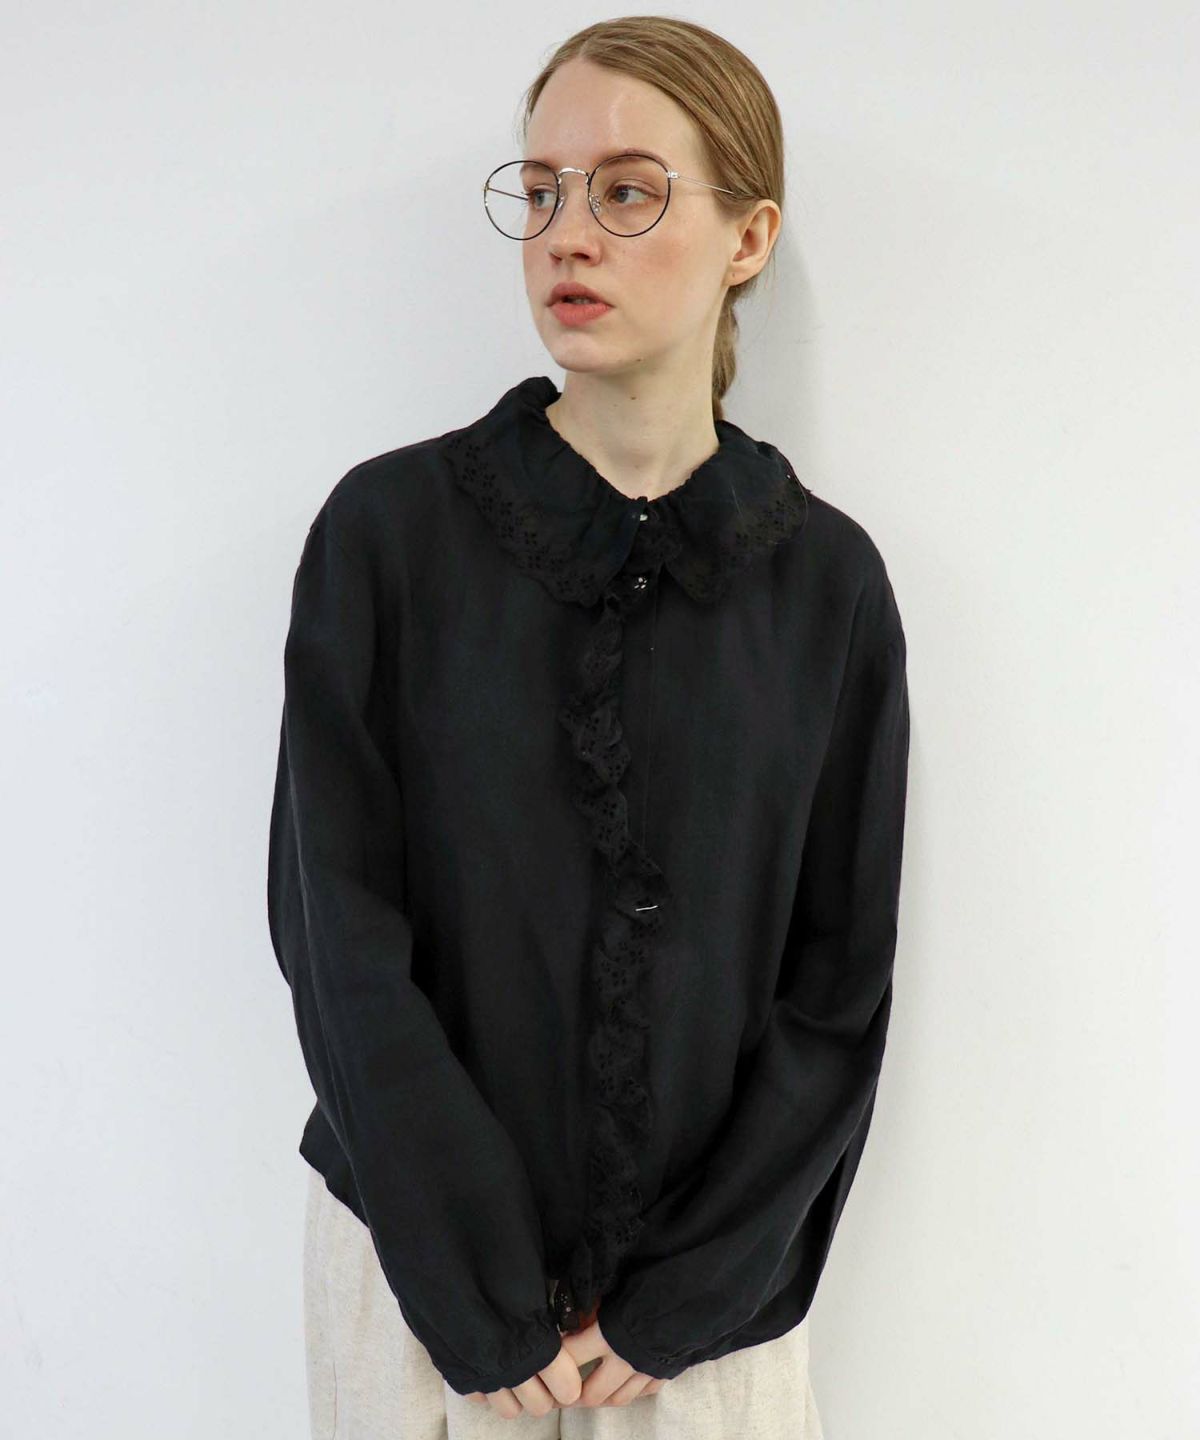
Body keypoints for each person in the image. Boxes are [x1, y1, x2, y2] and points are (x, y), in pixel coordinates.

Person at [267, 16, 910, 1438]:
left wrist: (689, 1297)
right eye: (544, 188)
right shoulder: (388, 538)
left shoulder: (828, 588)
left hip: (702, 1338)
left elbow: (838, 988)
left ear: (748, 238)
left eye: (627, 191)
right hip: (419, 1296)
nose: (568, 233)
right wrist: (476, 1289)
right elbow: (335, 932)